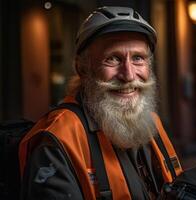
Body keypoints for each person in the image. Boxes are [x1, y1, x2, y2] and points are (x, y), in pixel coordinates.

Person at [19, 6, 183, 200]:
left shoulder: (151, 122)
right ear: (83, 68)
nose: (129, 75)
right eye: (112, 59)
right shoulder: (58, 138)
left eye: (138, 58)